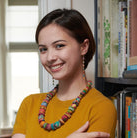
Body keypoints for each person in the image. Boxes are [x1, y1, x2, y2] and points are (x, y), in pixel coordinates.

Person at [12, 9, 117, 138]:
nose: (50, 57)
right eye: (43, 49)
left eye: (59, 46)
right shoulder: (29, 104)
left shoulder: (101, 107)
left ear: (84, 47)